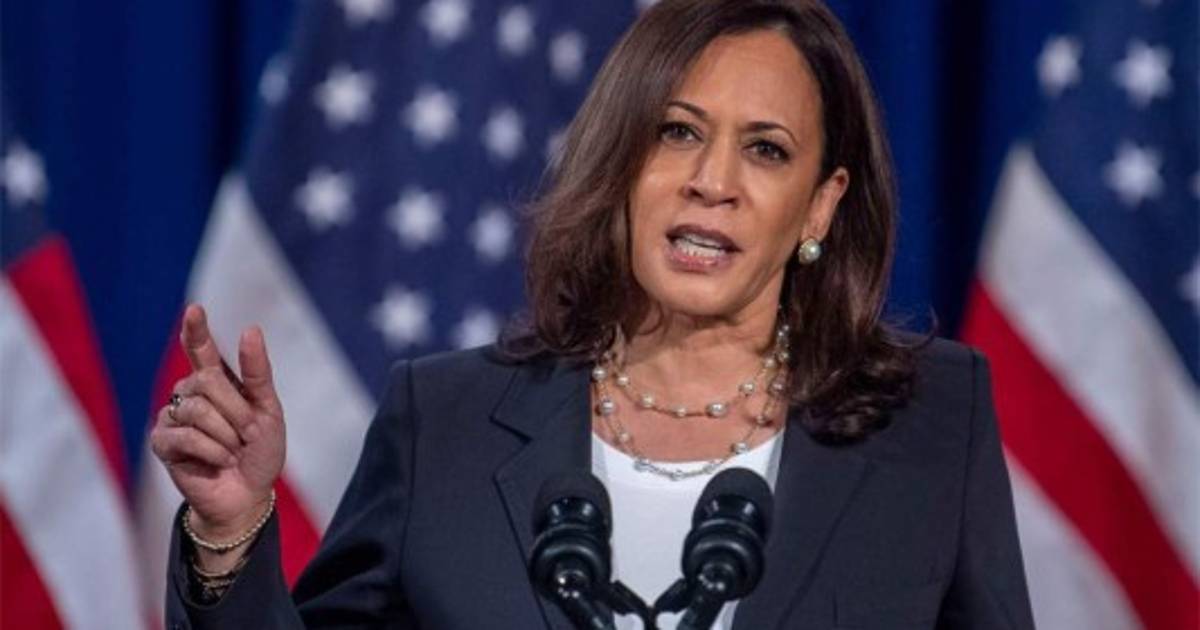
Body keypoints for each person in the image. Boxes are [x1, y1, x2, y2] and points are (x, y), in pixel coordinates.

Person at [151, 0, 1036, 628]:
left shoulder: (930, 422)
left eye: (766, 150)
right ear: (620, 162)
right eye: (677, 132)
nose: (713, 181)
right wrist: (231, 530)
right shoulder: (445, 423)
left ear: (820, 205)